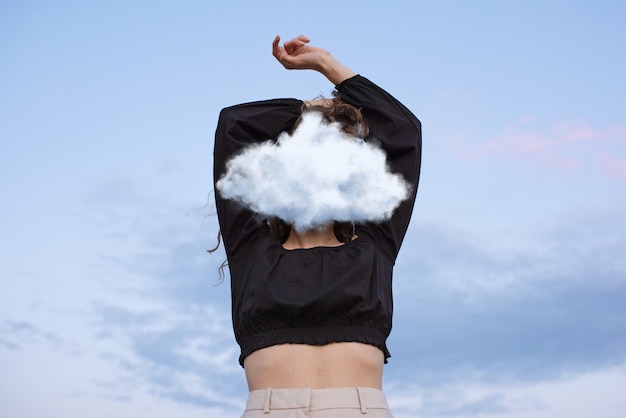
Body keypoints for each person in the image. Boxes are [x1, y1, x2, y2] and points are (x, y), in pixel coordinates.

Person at [213, 34, 422, 418]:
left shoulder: (375, 241)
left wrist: (326, 64)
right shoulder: (249, 246)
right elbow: (234, 125)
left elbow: (403, 131)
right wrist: (309, 112)